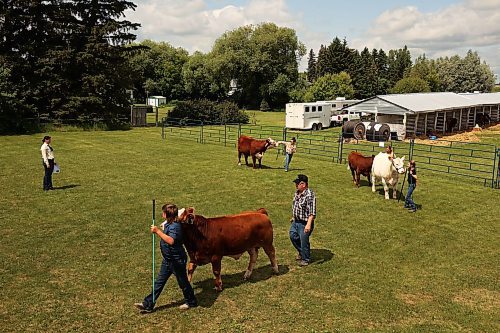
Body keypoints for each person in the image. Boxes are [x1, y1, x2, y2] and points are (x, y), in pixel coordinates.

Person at [134, 203, 198, 312]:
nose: (162, 214)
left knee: (183, 283)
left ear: (166, 214)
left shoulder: (175, 226)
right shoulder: (170, 222)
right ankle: (148, 304)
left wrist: (157, 231)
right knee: (159, 282)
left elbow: (171, 241)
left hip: (176, 261)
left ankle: (191, 301)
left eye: (163, 212)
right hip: (168, 260)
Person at [289, 174, 316, 266]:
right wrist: (294, 217)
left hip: (304, 223)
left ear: (303, 184)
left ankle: (305, 259)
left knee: (304, 240)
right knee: (293, 236)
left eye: (298, 184)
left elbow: (312, 212)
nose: (296, 185)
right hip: (296, 221)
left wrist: (308, 224)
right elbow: (296, 206)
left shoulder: (310, 195)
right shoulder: (297, 193)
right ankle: (302, 252)